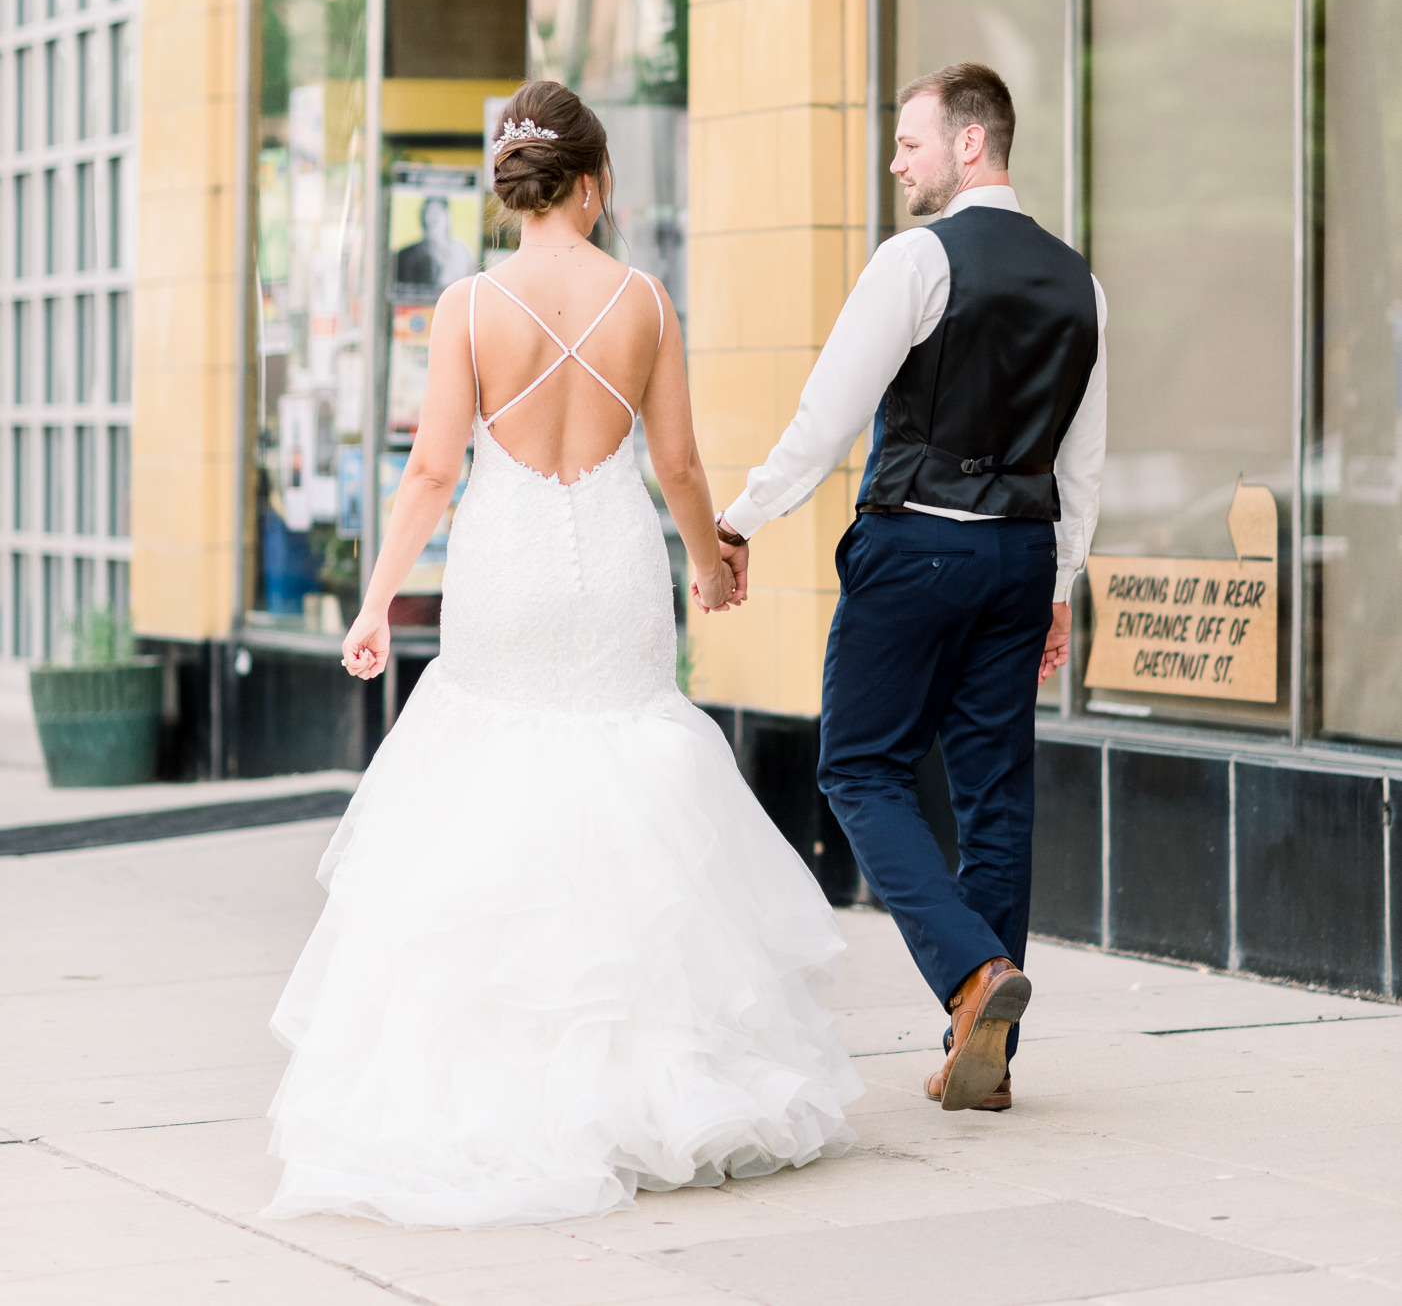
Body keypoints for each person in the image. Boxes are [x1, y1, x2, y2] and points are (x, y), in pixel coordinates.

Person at [264, 80, 859, 1228]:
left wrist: (376, 600)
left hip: (508, 567)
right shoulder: (643, 298)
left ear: (514, 186)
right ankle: (654, 1093)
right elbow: (678, 467)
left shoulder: (469, 305)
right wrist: (714, 559)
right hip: (616, 565)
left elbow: (432, 473)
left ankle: (498, 1093)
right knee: (628, 779)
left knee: (495, 781)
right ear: (594, 183)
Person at [715, 64, 1106, 1114]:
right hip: (1020, 557)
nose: (897, 162)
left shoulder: (916, 260)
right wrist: (1060, 582)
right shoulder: (1082, 283)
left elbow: (829, 413)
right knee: (995, 795)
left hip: (916, 551)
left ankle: (973, 976)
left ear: (969, 145)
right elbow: (1085, 463)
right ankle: (986, 1060)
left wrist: (739, 518)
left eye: (910, 143)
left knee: (858, 771)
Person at [393, 192, 476, 294]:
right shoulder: (405, 256)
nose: (431, 218)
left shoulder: (461, 252)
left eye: (437, 213)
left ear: (447, 217)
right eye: (428, 212)